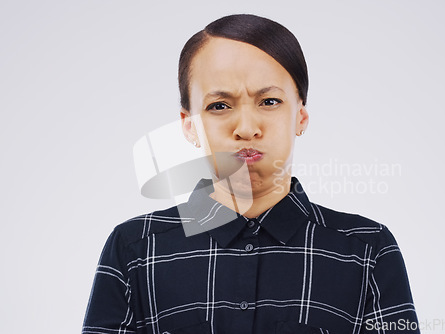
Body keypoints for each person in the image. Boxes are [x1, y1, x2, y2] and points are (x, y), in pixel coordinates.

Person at [82, 14, 420, 334]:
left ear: (300, 116)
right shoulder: (135, 250)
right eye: (219, 106)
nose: (246, 128)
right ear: (189, 125)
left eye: (269, 101)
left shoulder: (366, 250)